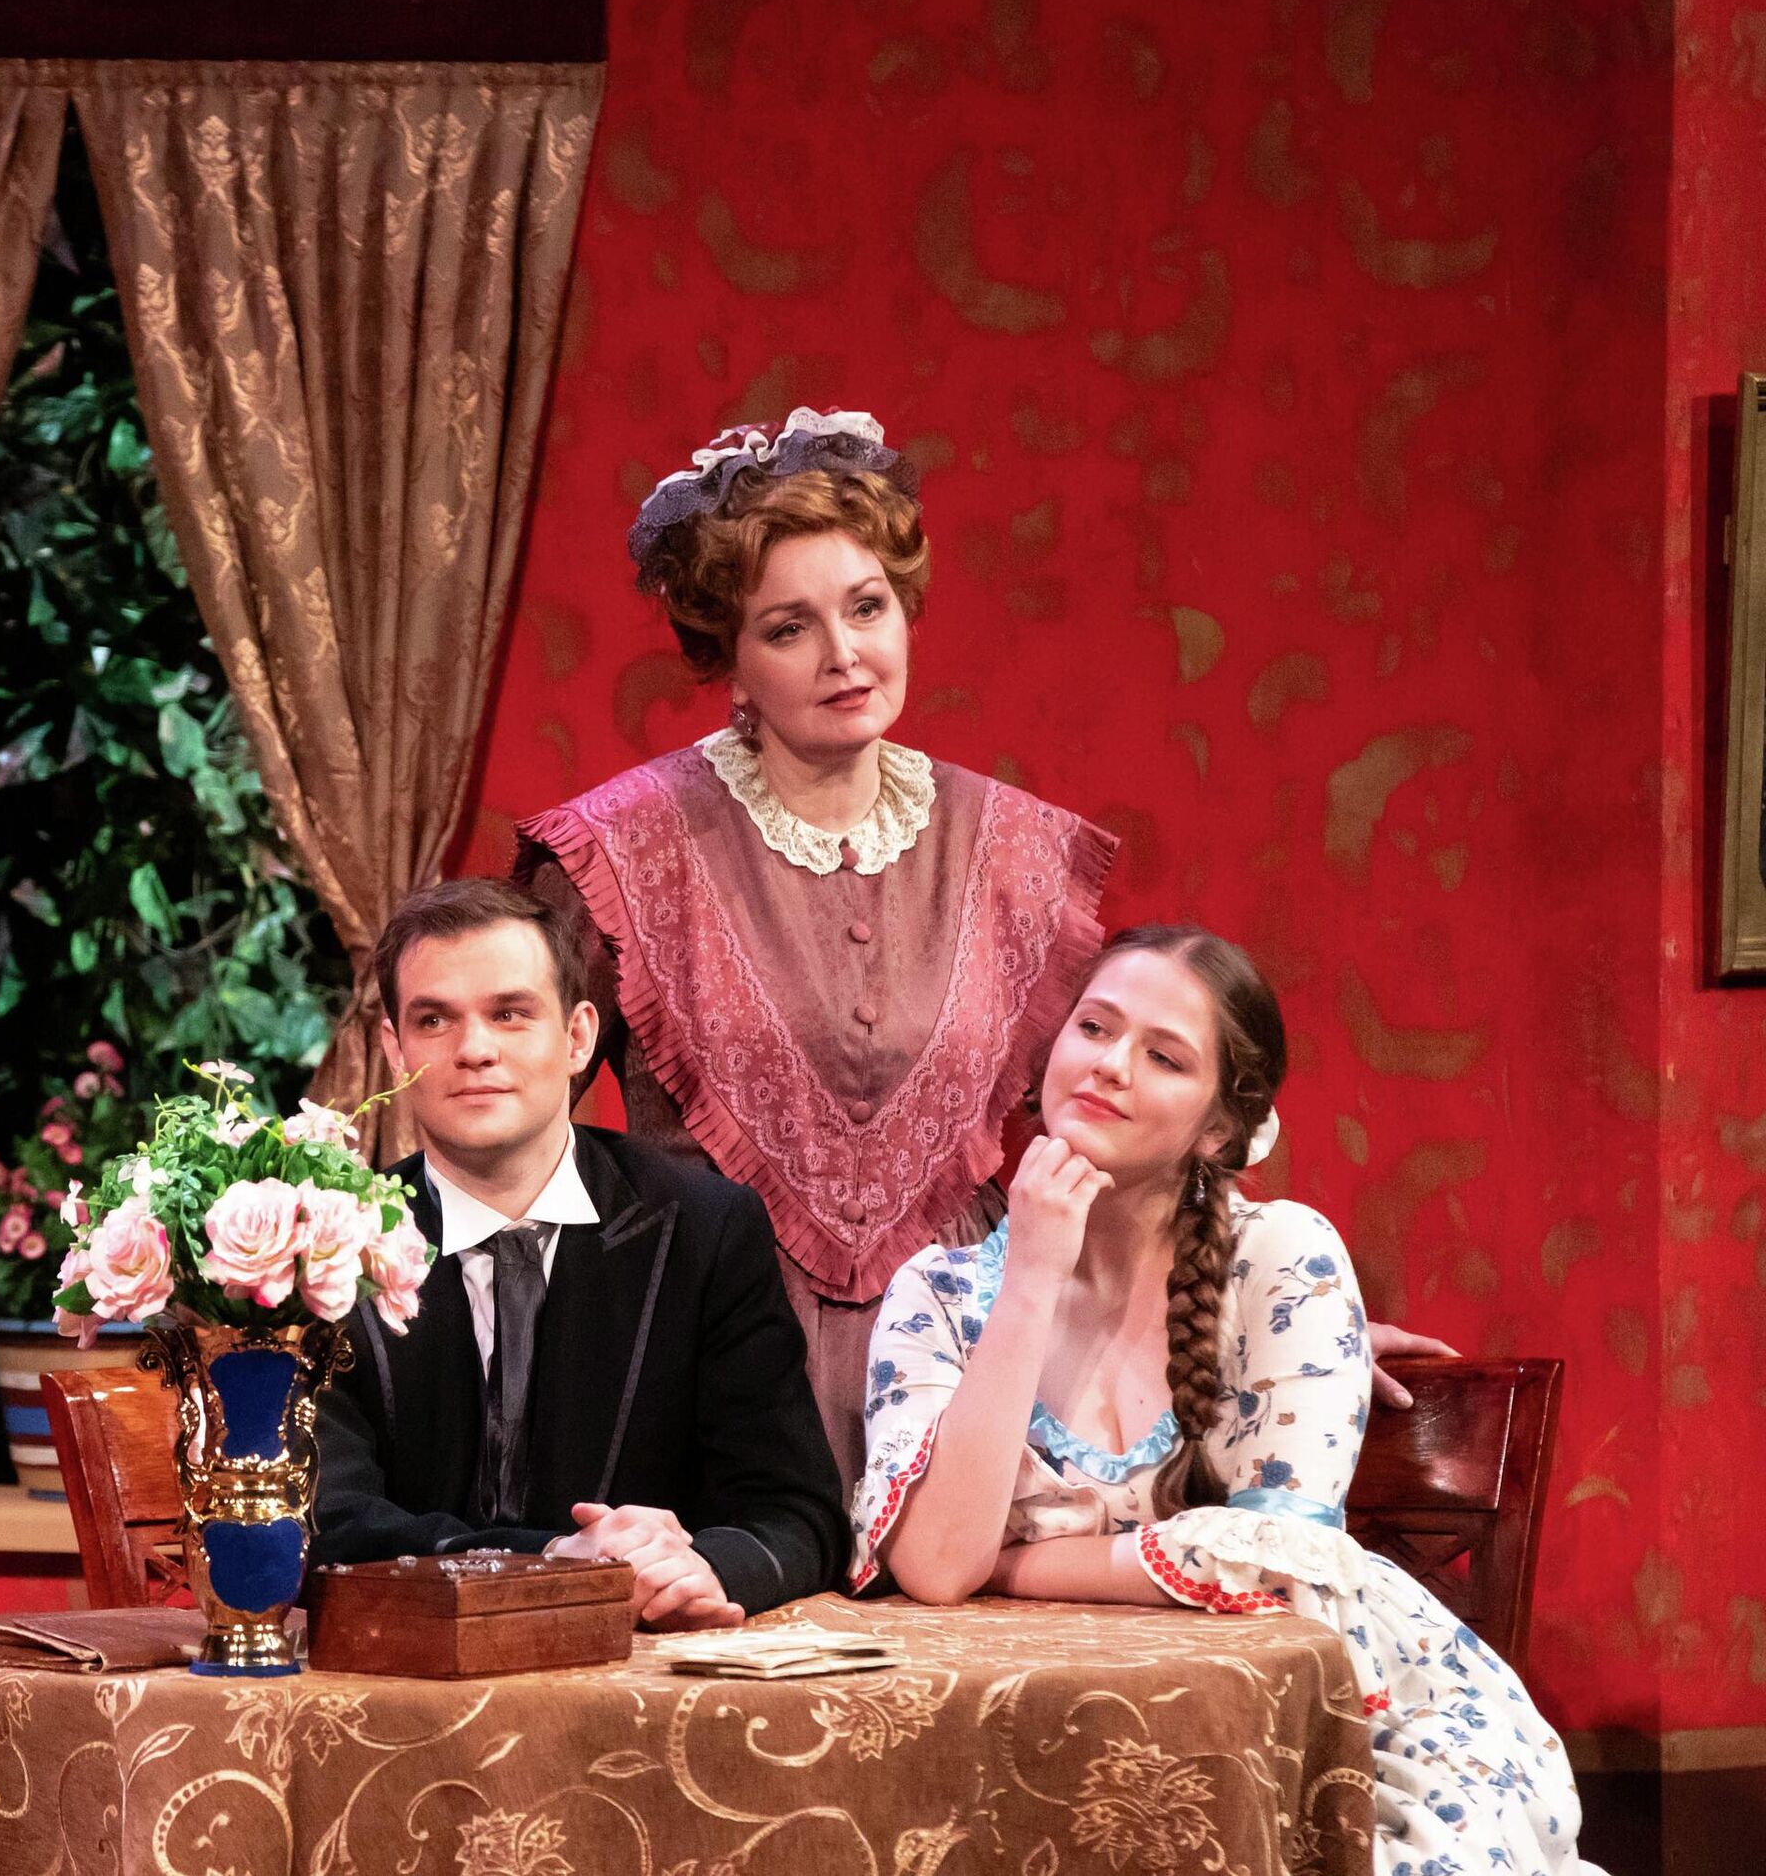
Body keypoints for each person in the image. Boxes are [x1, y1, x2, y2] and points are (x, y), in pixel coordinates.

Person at [518, 404, 1452, 1488]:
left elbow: (1116, 1117)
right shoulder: (617, 849)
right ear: (729, 658)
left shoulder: (1018, 852)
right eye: (788, 628)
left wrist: (1269, 1311)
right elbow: (511, 1134)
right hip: (703, 1371)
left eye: (868, 607)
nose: (844, 654)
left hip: (965, 1382)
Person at [852, 925, 1603, 1875]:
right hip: (1045, 1740)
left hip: (1326, 1730)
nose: (1110, 1064)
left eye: (1164, 1056)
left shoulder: (1280, 1257)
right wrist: (1032, 1276)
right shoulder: (938, 1291)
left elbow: (1279, 1559)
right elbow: (935, 1564)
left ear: (1216, 1127)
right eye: (1094, 1027)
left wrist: (1015, 1563)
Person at [311, 879, 847, 1629]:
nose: (475, 1050)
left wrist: (699, 1568)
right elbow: (322, 1520)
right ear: (396, 1050)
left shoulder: (706, 1229)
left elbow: (798, 1513)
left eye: (510, 1013)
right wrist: (555, 1562)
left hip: (642, 1671)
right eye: (434, 1020)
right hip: (401, 1667)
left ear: (578, 1037)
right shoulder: (326, 1248)